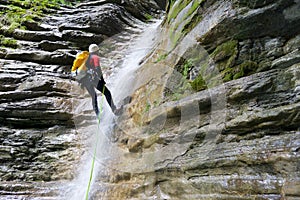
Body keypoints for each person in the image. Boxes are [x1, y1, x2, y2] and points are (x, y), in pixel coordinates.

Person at [72, 44, 121, 116]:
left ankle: (98, 115)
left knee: (93, 96)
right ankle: (114, 110)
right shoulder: (95, 57)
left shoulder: (86, 58)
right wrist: (102, 80)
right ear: (97, 51)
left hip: (85, 81)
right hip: (94, 79)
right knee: (107, 93)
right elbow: (98, 69)